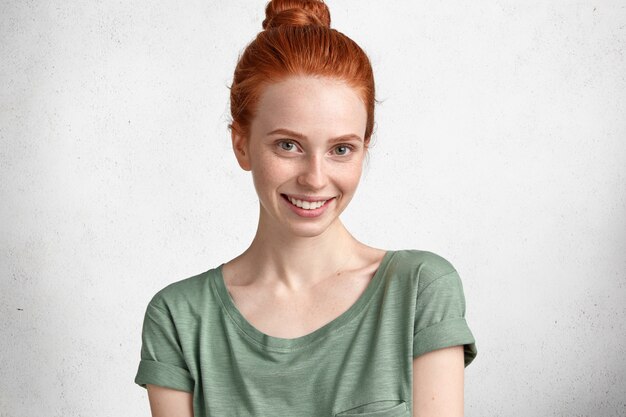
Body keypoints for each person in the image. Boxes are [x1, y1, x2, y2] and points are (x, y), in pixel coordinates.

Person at [134, 1, 478, 416]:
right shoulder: (179, 318)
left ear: (364, 148)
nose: (315, 178)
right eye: (288, 145)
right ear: (241, 144)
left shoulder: (420, 290)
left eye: (341, 149)